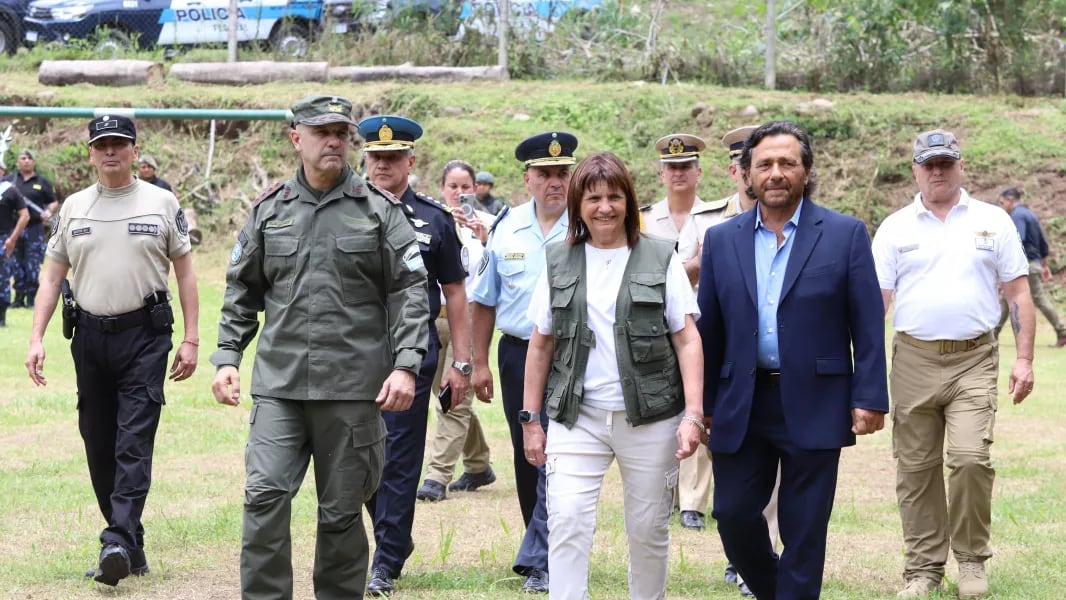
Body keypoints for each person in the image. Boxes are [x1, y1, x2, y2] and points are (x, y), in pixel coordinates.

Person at [209, 95, 429, 599]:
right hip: (280, 388)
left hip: (353, 391)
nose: (333, 140)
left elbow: (411, 291)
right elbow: (242, 289)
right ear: (296, 138)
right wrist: (227, 357)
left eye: (341, 132)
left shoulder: (379, 212)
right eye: (321, 131)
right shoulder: (270, 210)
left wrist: (407, 365)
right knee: (263, 498)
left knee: (341, 512)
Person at [697, 120, 889, 600]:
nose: (776, 173)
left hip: (818, 398)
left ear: (806, 171)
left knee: (805, 528)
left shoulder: (845, 234)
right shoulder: (722, 242)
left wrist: (869, 396)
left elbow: (866, 325)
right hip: (741, 400)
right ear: (746, 174)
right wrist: (700, 403)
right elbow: (710, 328)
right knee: (734, 514)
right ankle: (779, 590)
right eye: (764, 164)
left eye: (787, 163)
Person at [24, 114, 199, 587]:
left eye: (119, 144)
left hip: (145, 336)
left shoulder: (161, 202)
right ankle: (131, 546)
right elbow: (52, 276)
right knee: (98, 443)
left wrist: (191, 338)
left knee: (133, 440)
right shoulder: (75, 208)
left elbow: (184, 270)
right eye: (102, 144)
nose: (110, 152)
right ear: (90, 153)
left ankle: (116, 540)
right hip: (90, 339)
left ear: (134, 151)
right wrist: (37, 337)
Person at [522, 151, 704, 598]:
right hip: (576, 417)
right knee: (566, 521)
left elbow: (687, 338)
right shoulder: (558, 260)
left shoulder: (661, 256)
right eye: (593, 198)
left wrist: (693, 414)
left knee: (647, 531)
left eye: (614, 197)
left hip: (650, 417)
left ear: (629, 200)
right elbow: (541, 342)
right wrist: (530, 421)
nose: (604, 207)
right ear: (578, 205)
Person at [872, 129, 1035, 599]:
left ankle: (971, 562)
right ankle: (922, 570)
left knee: (969, 460)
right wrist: (860, 371)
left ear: (961, 166)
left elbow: (1019, 291)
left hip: (974, 359)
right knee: (916, 468)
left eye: (946, 162)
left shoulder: (992, 221)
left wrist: (1024, 359)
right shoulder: (895, 227)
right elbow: (876, 303)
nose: (938, 171)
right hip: (913, 359)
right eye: (929, 164)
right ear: (916, 170)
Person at [356, 114, 471, 596]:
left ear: (410, 160)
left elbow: (456, 293)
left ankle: (385, 559)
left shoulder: (433, 219)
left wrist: (462, 362)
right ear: (364, 159)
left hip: (411, 352)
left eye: (392, 158)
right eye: (375, 158)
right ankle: (394, 539)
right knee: (358, 458)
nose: (383, 166)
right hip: (353, 353)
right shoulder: (343, 208)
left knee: (399, 458)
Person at [470, 131, 579, 593]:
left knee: (564, 452)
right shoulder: (505, 227)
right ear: (527, 179)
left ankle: (546, 556)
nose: (555, 182)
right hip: (517, 353)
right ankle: (542, 549)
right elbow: (483, 302)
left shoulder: (590, 225)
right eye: (545, 174)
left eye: (562, 173)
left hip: (574, 354)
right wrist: (476, 363)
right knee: (527, 450)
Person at [639, 133, 723, 535]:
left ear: (698, 172)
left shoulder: (719, 217)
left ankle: (692, 500)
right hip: (653, 324)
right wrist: (689, 267)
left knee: (698, 405)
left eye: (685, 166)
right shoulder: (642, 218)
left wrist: (677, 270)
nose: (678, 173)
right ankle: (666, 493)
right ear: (660, 173)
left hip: (704, 322)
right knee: (660, 405)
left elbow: (718, 268)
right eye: (671, 167)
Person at [416, 159, 496, 502]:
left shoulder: (493, 224)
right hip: (435, 317)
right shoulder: (430, 221)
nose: (460, 193)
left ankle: (436, 476)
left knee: (455, 399)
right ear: (443, 188)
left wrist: (484, 239)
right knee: (446, 395)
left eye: (466, 187)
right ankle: (479, 465)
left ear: (476, 188)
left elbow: (499, 272)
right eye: (453, 187)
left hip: (473, 318)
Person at [995, 186, 1066, 347]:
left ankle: (1062, 331)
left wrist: (1006, 265)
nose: (1002, 206)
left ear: (1010, 200)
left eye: (1002, 202)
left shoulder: (1017, 216)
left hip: (1024, 265)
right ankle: (993, 334)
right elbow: (1042, 242)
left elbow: (1016, 240)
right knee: (1006, 299)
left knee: (1038, 299)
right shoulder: (1030, 214)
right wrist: (1044, 265)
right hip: (1033, 263)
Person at [9, 148, 57, 309]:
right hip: (14, 227)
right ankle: (18, 298)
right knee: (16, 263)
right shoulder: (10, 181)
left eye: (29, 158)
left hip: (34, 229)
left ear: (34, 162)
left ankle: (30, 299)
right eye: (23, 158)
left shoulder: (42, 181)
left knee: (32, 264)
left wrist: (48, 211)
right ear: (18, 162)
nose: (27, 160)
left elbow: (53, 201)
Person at [0, 178, 29, 326]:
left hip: (3, 239)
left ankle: (1, 318)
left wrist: (12, 238)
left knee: (2, 279)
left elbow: (25, 215)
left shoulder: (10, 190)